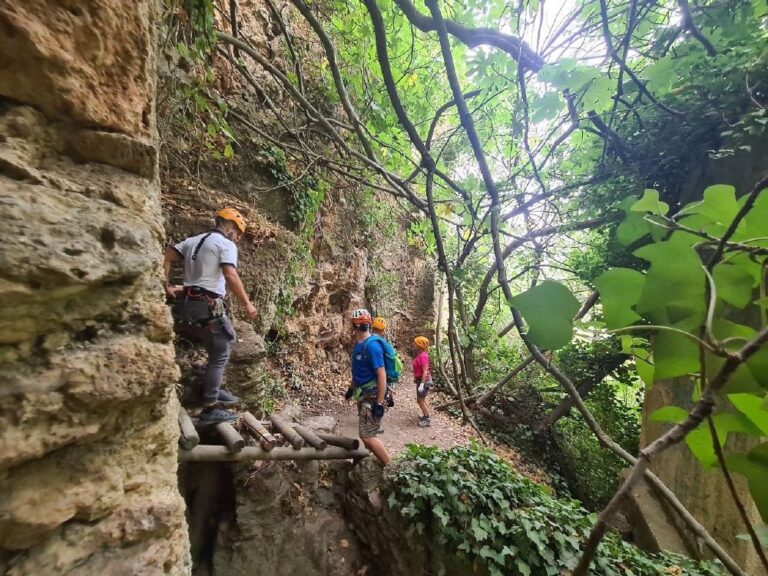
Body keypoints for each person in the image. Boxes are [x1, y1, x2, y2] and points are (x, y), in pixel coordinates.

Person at [162, 208, 257, 424]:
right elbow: (230, 274)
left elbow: (166, 256)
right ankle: (210, 408)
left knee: (226, 341)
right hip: (206, 306)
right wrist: (247, 304)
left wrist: (165, 284)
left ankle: (213, 387)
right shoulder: (226, 245)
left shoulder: (193, 240)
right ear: (231, 227)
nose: (238, 239)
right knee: (222, 351)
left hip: (186, 306)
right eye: (238, 234)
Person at [343, 309, 391, 465]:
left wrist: (379, 402)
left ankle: (390, 467)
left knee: (367, 436)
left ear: (355, 326)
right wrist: (351, 389)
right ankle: (368, 462)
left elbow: (382, 375)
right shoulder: (359, 344)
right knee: (367, 432)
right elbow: (358, 371)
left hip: (372, 396)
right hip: (363, 394)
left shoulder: (372, 347)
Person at [412, 336, 433, 427]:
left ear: (419, 346)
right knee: (420, 400)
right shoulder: (420, 354)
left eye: (415, 344)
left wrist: (422, 384)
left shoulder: (423, 356)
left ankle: (427, 419)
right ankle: (426, 415)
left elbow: (425, 371)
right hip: (420, 380)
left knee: (421, 400)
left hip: (424, 381)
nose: (413, 345)